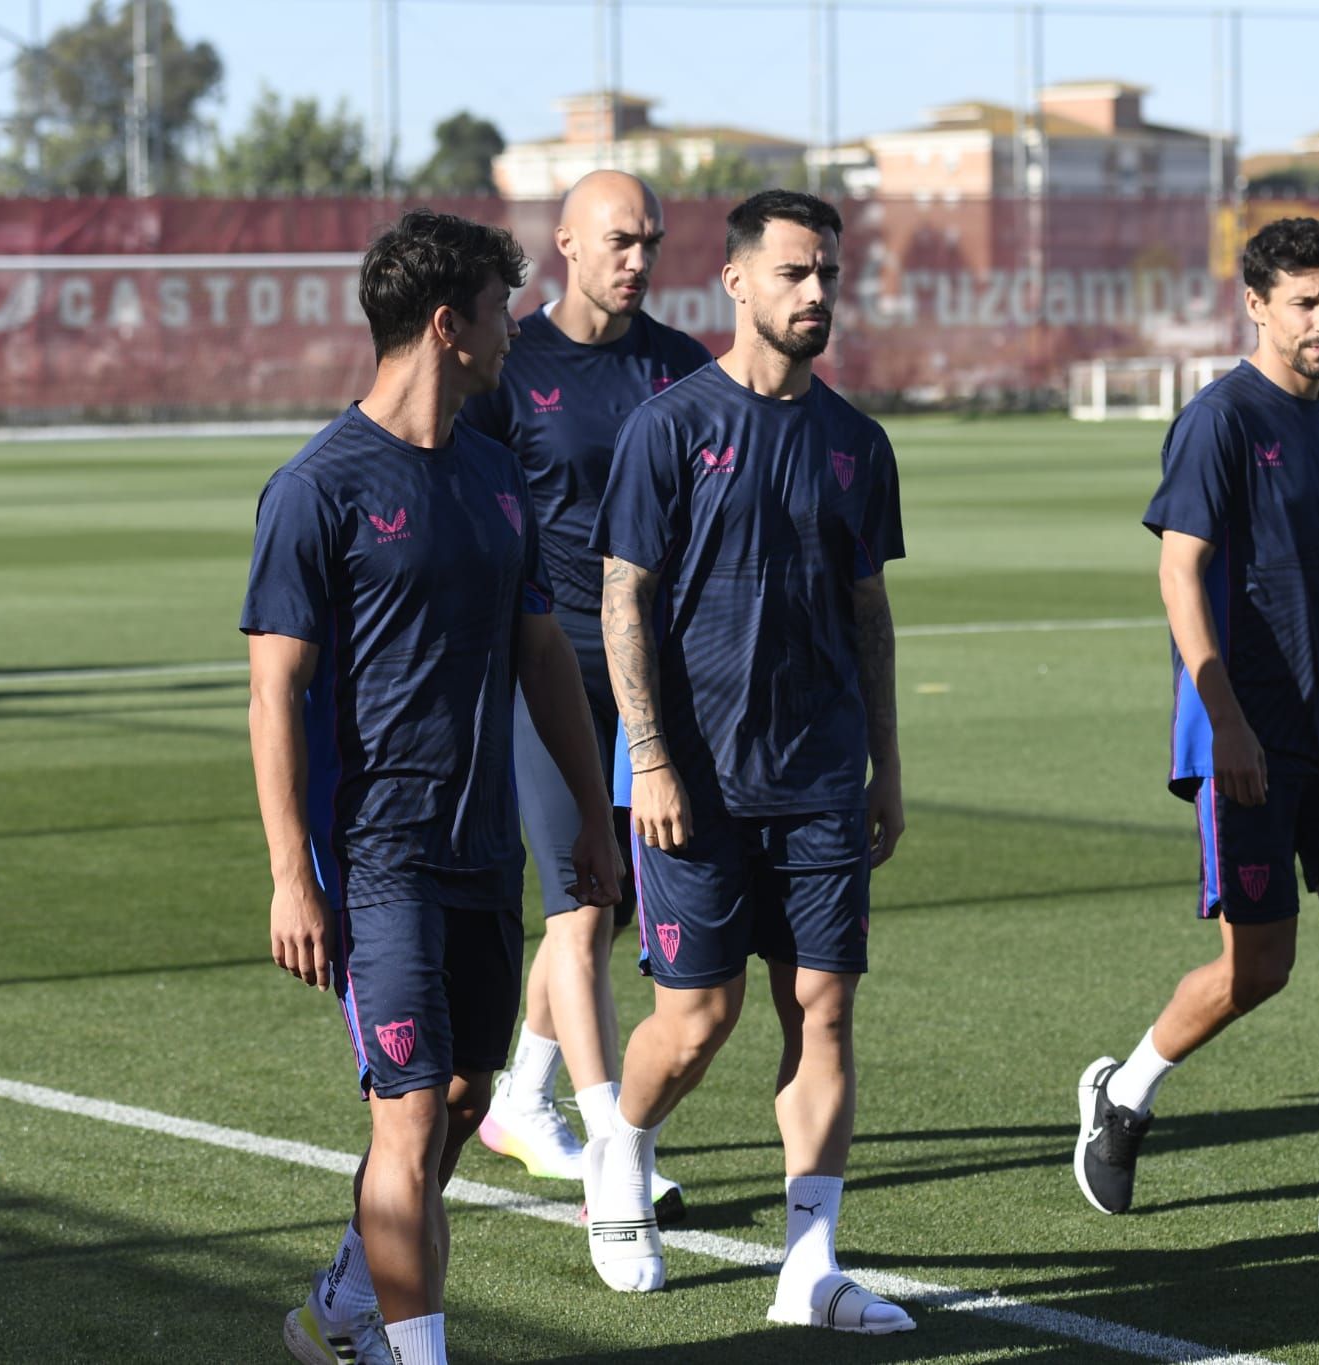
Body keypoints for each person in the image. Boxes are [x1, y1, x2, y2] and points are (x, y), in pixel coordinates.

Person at [246, 210, 620, 1365]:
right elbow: (272, 695)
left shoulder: (495, 473)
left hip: (482, 849)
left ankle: (346, 1300)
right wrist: (289, 880)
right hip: (378, 856)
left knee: (460, 1096)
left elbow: (543, 652)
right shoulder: (317, 487)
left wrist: (593, 820)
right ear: (448, 327)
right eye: (502, 311)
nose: (518, 332)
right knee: (406, 1112)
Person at [1072, 217, 1319, 1245]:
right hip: (1247, 737)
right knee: (1259, 969)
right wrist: (1225, 722)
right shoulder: (1219, 421)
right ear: (1254, 304)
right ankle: (1123, 1093)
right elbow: (1177, 572)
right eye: (1303, 302)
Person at [582, 188, 914, 1335]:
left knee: (822, 1013)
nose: (816, 293)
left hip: (821, 778)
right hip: (696, 782)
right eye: (793, 273)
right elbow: (622, 594)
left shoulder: (856, 444)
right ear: (736, 283)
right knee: (697, 1018)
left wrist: (886, 762)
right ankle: (619, 1151)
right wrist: (650, 759)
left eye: (826, 273)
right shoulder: (667, 428)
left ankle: (806, 1270)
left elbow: (868, 611)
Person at [460, 171, 709, 1219]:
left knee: (600, 917)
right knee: (578, 907)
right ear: (563, 241)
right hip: (542, 673)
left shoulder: (683, 365)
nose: (637, 260)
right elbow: (463, 505)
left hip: (652, 683)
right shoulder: (509, 365)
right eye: (617, 240)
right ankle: (614, 1143)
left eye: (650, 241)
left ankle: (521, 1097)